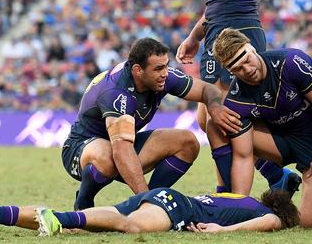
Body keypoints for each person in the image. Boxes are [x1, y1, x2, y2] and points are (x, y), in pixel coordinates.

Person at [156, 0, 297, 195]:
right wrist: (195, 35)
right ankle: (276, 178)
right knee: (211, 115)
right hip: (219, 28)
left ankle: (230, 195)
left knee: (220, 117)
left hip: (238, 32)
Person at [206, 28, 312, 229]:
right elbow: (243, 156)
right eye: (237, 68)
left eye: (246, 59)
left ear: (252, 48)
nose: (246, 69)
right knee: (219, 126)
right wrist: (239, 206)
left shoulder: (291, 62)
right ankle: (277, 178)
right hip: (280, 140)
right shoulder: (237, 99)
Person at [61, 38, 241, 210]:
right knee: (107, 154)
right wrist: (145, 199)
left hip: (121, 145)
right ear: (138, 70)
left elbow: (206, 89)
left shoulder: (163, 77)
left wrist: (215, 106)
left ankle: (149, 202)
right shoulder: (116, 92)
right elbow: (121, 151)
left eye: (166, 66)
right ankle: (83, 203)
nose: (165, 73)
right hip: (80, 150)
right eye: (158, 68)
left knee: (187, 141)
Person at [0, 188, 299, 234]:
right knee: (129, 228)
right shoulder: (260, 211)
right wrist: (222, 232)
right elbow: (270, 221)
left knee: (86, 226)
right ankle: (58, 220)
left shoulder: (240, 197)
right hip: (175, 206)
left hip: (164, 196)